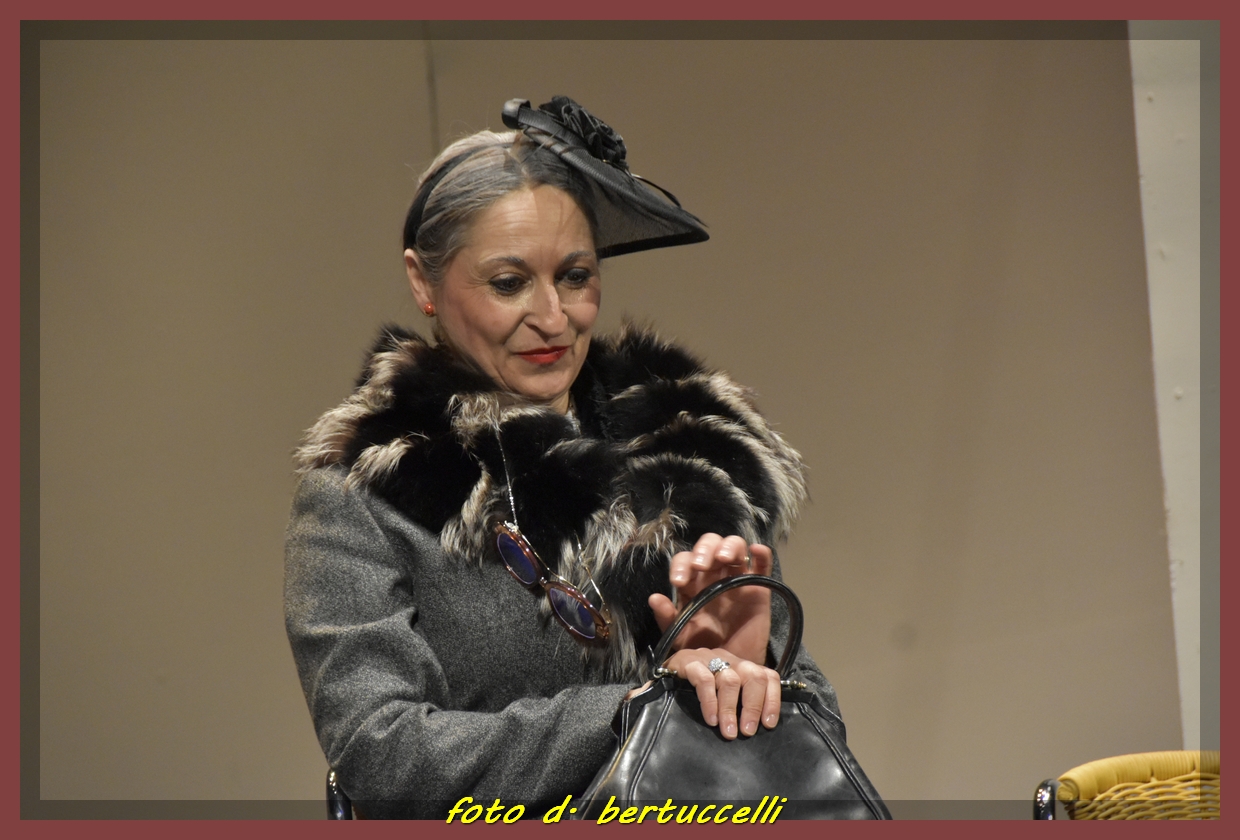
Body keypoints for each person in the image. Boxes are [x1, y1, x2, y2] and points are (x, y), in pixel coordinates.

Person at [284, 96, 840, 819]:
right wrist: (638, 708)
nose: (553, 318)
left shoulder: (691, 452)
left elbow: (820, 735)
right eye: (508, 283)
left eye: (576, 276)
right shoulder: (367, 493)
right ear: (423, 282)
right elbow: (381, 756)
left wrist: (752, 677)